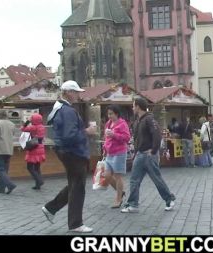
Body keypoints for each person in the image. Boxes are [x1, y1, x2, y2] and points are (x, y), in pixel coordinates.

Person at [41, 80, 97, 233]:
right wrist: (87, 131)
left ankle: (50, 208)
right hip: (74, 153)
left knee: (74, 184)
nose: (79, 95)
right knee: (78, 187)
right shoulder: (68, 111)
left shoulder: (60, 108)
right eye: (77, 92)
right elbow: (70, 136)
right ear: (69, 92)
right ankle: (75, 223)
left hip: (66, 151)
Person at [121, 97, 176, 213]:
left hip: (149, 154)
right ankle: (133, 204)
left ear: (138, 107)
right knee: (134, 180)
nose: (132, 108)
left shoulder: (149, 119)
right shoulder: (137, 121)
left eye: (133, 105)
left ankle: (169, 199)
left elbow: (157, 134)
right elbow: (136, 139)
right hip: (140, 154)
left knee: (156, 178)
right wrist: (135, 153)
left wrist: (154, 150)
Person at [103, 105, 131, 208]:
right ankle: (121, 192)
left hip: (119, 152)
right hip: (109, 153)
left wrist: (114, 135)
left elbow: (127, 138)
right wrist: (104, 147)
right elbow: (106, 137)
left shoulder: (122, 124)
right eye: (108, 113)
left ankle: (118, 199)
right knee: (107, 175)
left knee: (117, 176)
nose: (109, 116)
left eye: (111, 114)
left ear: (117, 114)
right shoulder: (108, 123)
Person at [21, 113, 46, 190]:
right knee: (37, 167)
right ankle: (38, 185)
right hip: (40, 147)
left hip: (33, 147)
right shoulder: (42, 127)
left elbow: (22, 129)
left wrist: (27, 122)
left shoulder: (33, 127)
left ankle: (39, 180)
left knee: (29, 167)